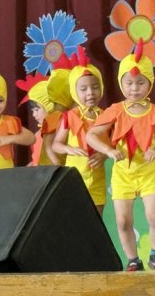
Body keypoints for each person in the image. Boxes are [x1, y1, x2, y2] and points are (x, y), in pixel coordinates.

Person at [86, 39, 155, 272]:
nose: (134, 88)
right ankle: (132, 259)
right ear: (121, 83)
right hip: (123, 175)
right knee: (123, 220)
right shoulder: (116, 111)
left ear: (150, 84)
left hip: (148, 173)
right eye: (128, 83)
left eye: (140, 83)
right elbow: (91, 135)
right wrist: (108, 150)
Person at [52, 47, 107, 214]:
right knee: (75, 218)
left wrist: (103, 155)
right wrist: (69, 149)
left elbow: (115, 144)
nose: (90, 93)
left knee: (96, 219)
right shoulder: (69, 116)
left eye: (95, 87)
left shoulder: (106, 116)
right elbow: (56, 145)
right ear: (74, 92)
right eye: (83, 89)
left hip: (97, 178)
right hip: (75, 177)